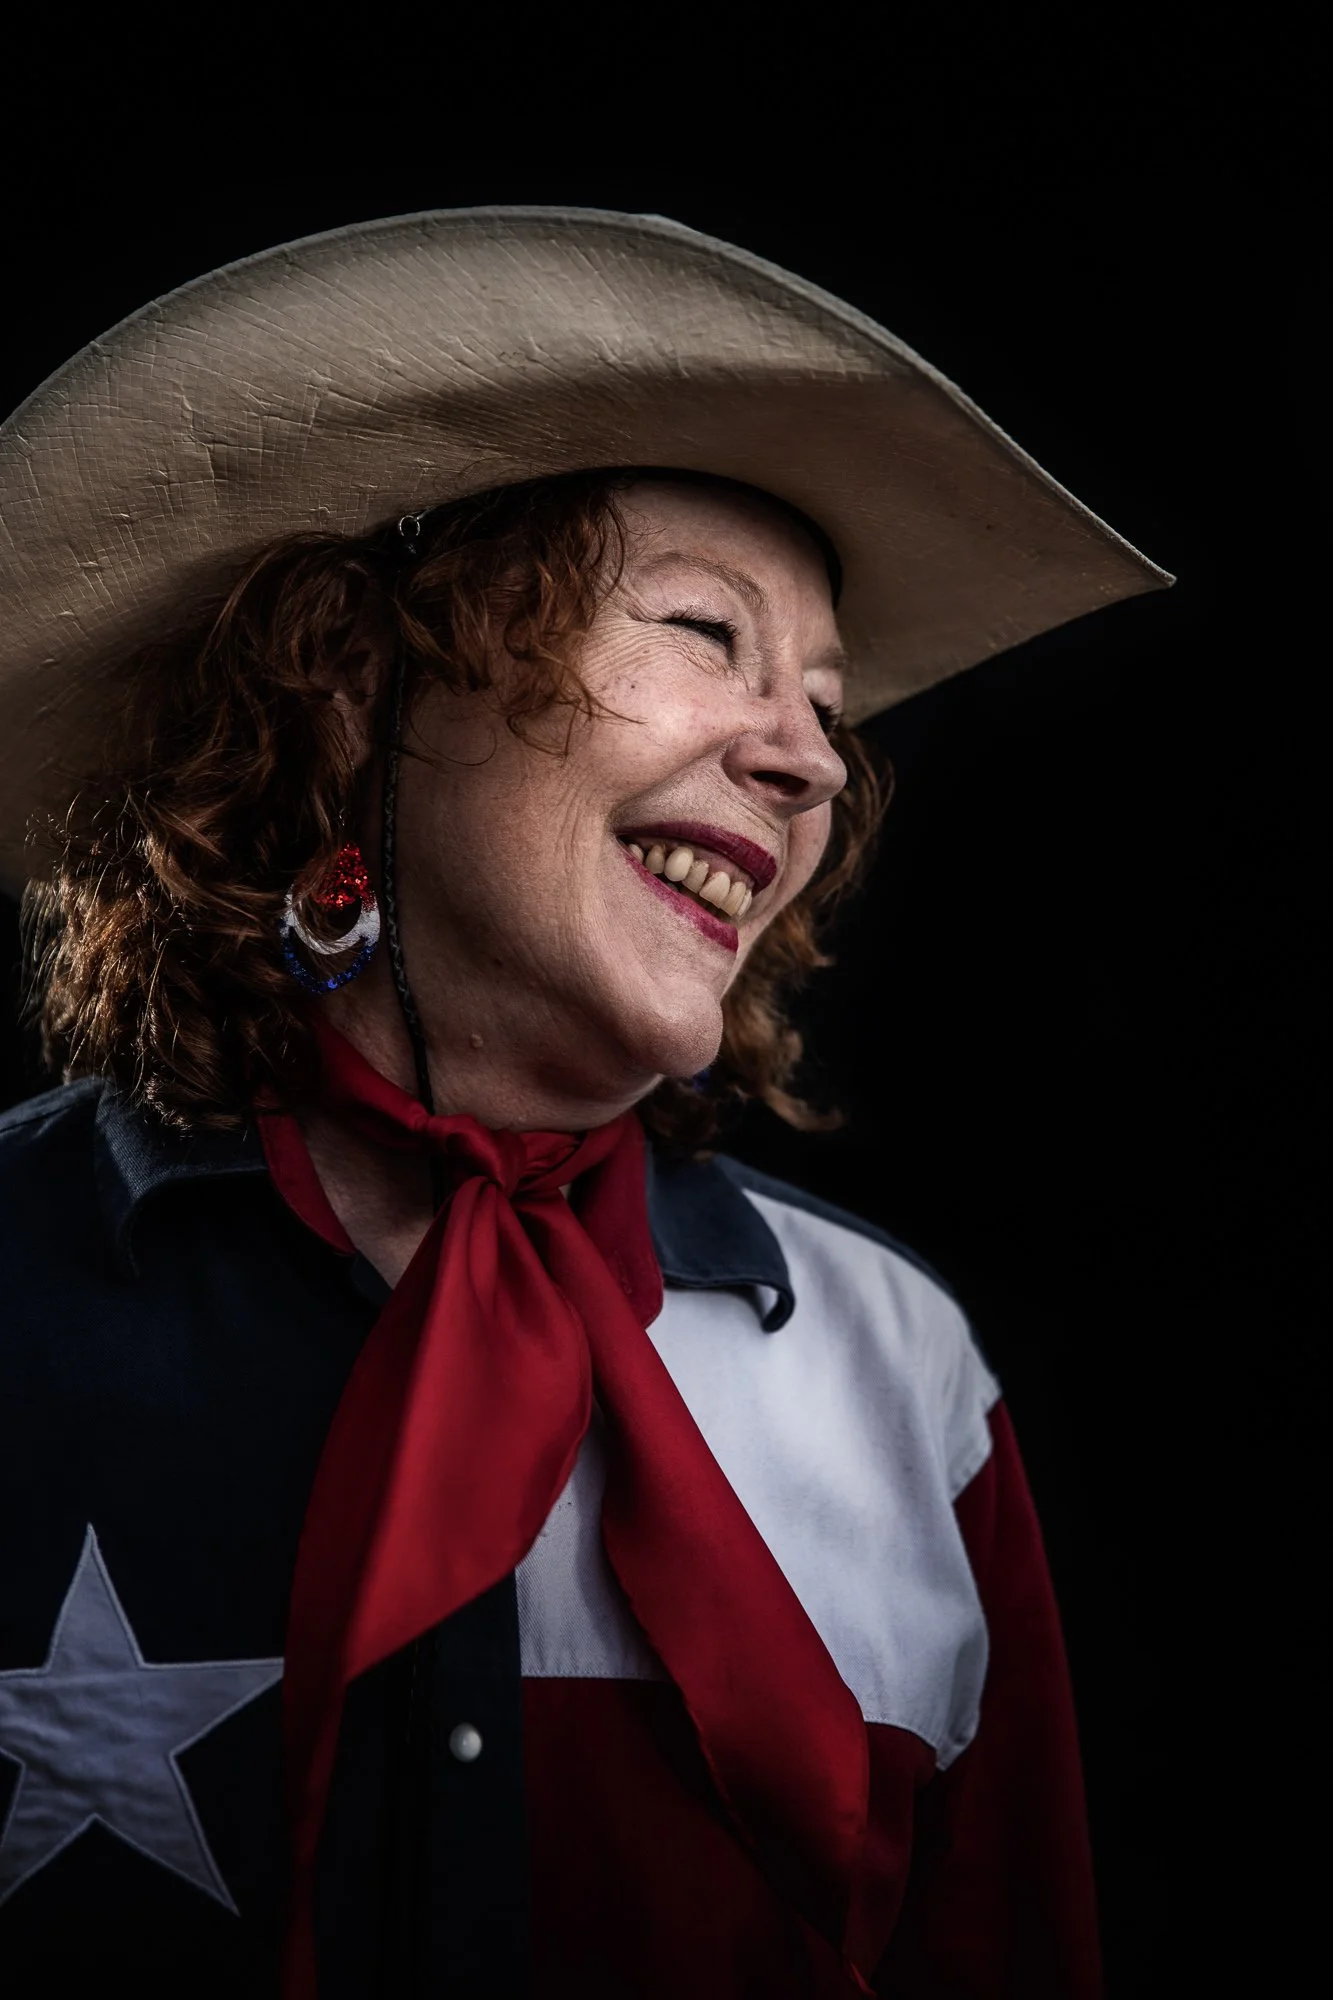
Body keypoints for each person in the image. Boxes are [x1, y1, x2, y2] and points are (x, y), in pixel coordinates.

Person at [0, 209, 1169, 1999]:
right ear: (351, 667)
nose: (806, 763)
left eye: (829, 712)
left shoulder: (903, 1374)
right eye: (708, 634)